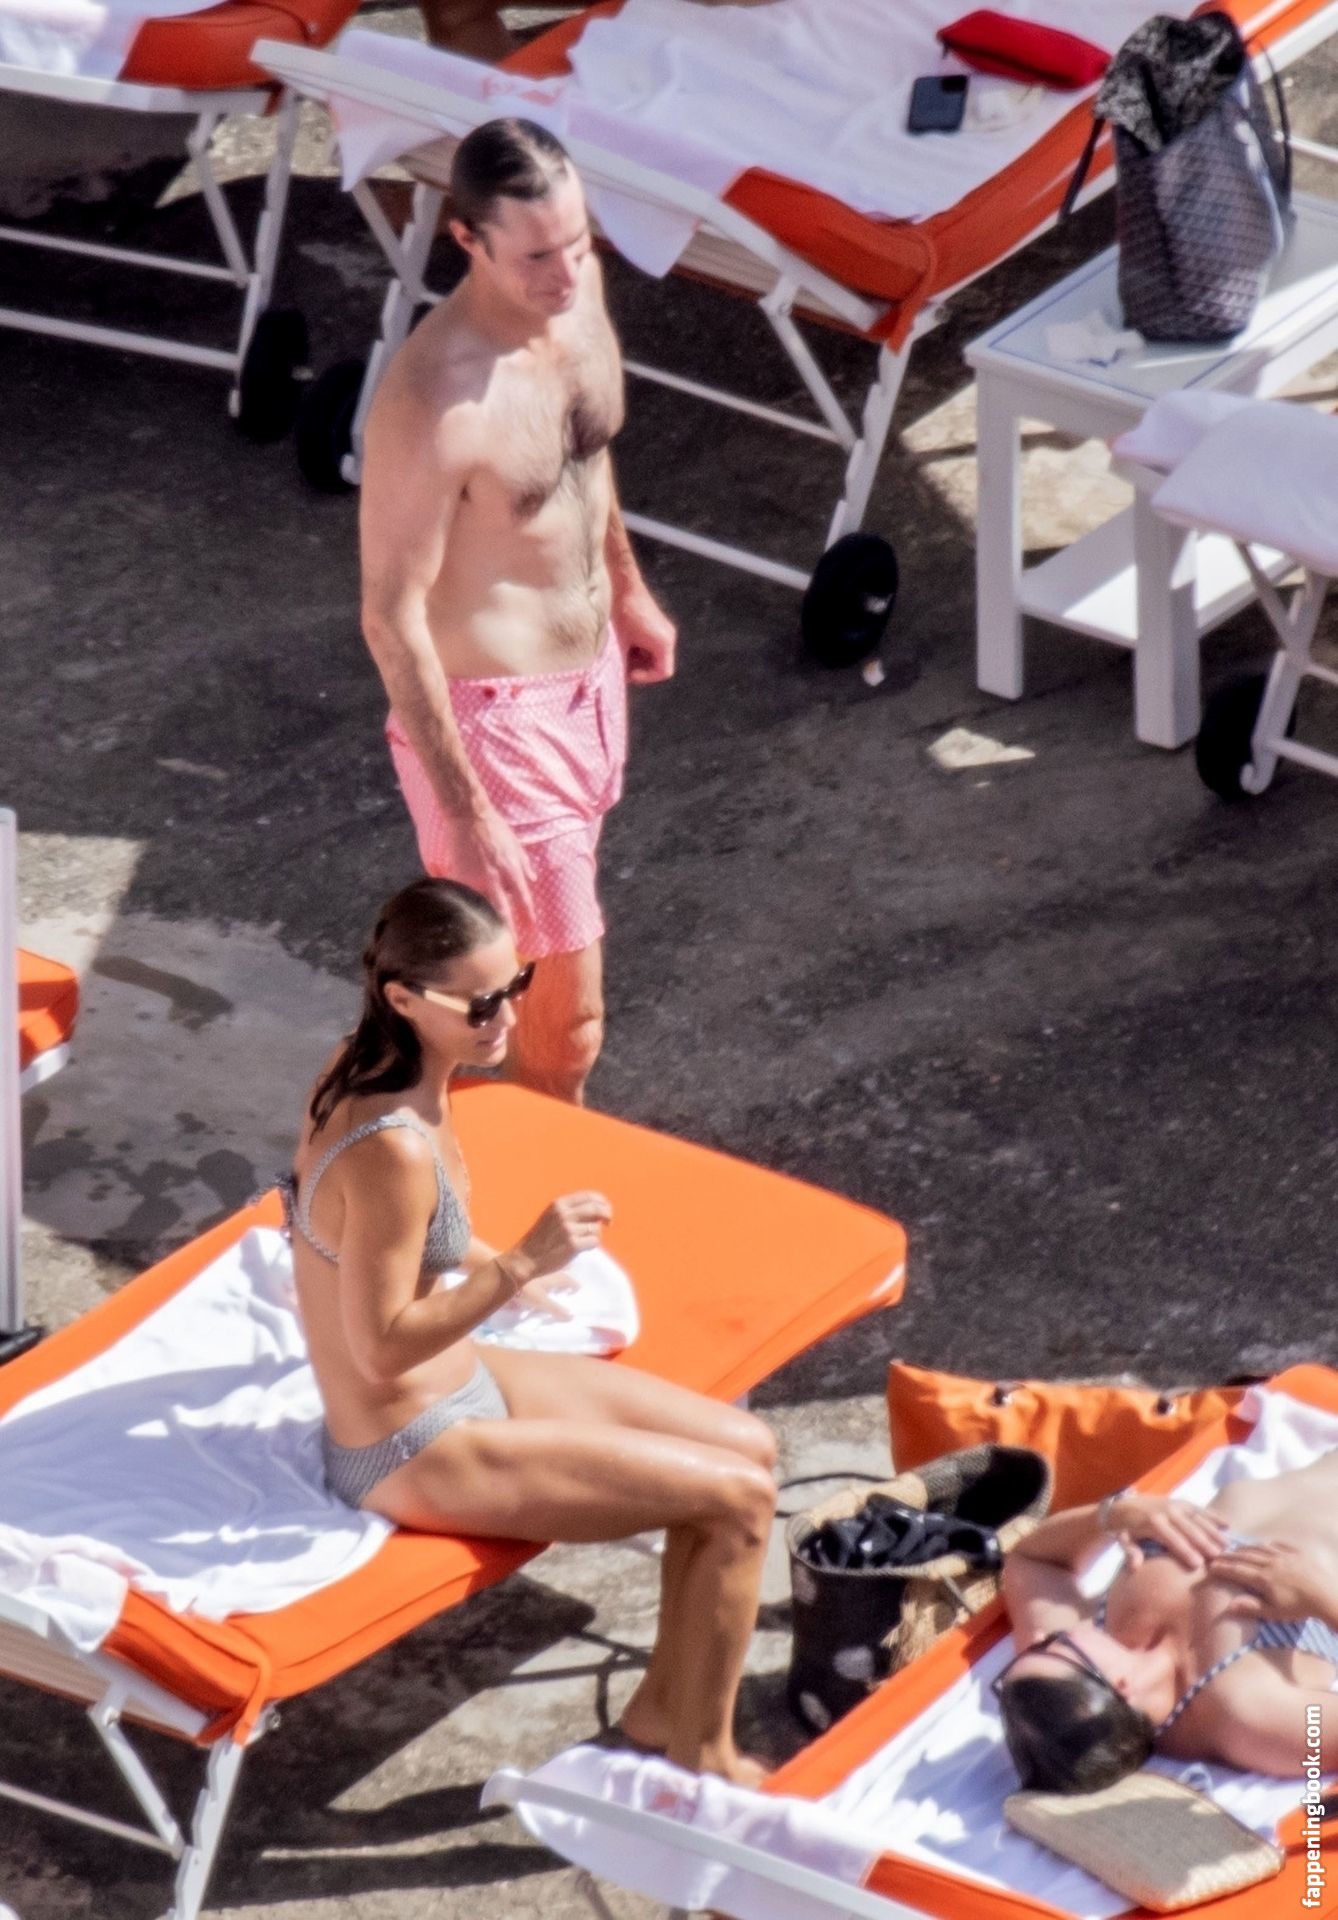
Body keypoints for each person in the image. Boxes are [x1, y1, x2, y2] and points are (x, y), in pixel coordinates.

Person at [282, 877, 778, 1785]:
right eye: (480, 1004)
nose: (506, 1017)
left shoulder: (369, 1062)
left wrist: (490, 1261)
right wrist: (520, 1264)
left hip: (466, 1375)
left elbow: (371, 1232)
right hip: (407, 1444)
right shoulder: (390, 1144)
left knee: (752, 1448)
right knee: (737, 1503)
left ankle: (662, 1713)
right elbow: (380, 1349)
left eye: (516, 985)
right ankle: (702, 1765)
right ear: (403, 999)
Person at [360, 117, 676, 1108]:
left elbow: (586, 453)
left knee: (522, 1007)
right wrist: (466, 810)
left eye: (578, 242)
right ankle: (523, 1194)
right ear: (466, 238)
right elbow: (389, 615)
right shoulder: (432, 399)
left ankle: (466, 1177)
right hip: (495, 727)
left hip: (588, 688)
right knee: (559, 1031)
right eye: (537, 256)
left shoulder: (578, 299)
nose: (565, 273)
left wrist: (626, 587)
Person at [995, 1458, 1338, 1791]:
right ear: (1122, 1686)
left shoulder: (1099, 1635)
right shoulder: (1247, 1717)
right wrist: (1322, 1596)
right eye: (1050, 1646)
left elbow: (1031, 1562)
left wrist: (1113, 1516)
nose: (1039, 1635)